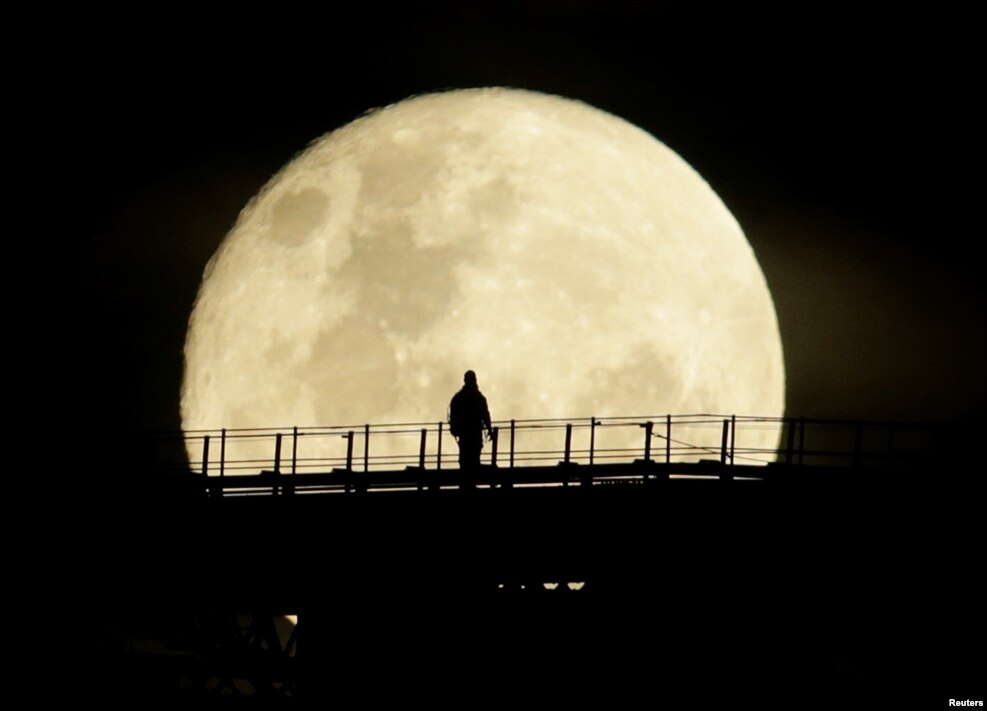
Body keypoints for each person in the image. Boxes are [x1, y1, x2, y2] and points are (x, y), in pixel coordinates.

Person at [448, 370, 493, 472]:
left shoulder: (458, 398)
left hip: (465, 434)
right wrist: (490, 430)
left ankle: (467, 485)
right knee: (472, 461)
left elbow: (453, 416)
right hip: (473, 433)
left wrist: (455, 429)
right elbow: (485, 415)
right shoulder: (478, 398)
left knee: (465, 461)